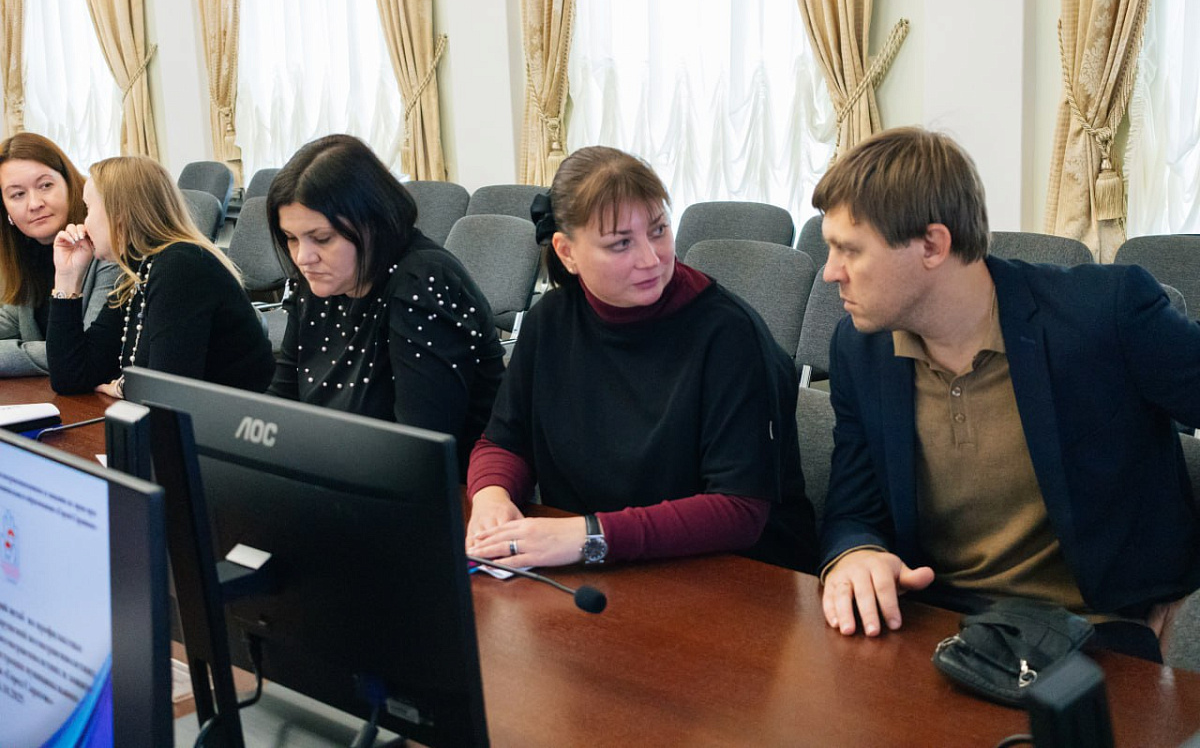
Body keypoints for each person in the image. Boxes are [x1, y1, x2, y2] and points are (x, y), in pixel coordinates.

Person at [814, 126, 1200, 661]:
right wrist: (855, 554)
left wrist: (1187, 600)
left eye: (849, 250)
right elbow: (853, 506)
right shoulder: (860, 349)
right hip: (936, 622)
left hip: (1093, 633)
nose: (830, 272)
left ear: (932, 245)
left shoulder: (1104, 314)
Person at [465, 145, 817, 572]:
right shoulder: (550, 322)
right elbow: (504, 441)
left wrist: (591, 536)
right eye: (621, 244)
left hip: (729, 576)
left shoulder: (730, 335)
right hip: (603, 568)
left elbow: (739, 509)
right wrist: (492, 496)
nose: (651, 259)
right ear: (567, 252)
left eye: (658, 231)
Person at [265, 134, 505, 470]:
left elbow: (421, 448)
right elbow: (282, 401)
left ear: (372, 223)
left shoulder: (422, 283)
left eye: (322, 238)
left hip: (447, 489)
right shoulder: (319, 282)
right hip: (343, 474)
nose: (304, 257)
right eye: (291, 238)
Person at [47, 155, 274, 396]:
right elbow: (71, 376)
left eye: (88, 208)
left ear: (119, 213)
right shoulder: (139, 269)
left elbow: (166, 391)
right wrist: (67, 278)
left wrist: (122, 387)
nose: (84, 222)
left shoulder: (181, 267)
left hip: (235, 417)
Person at [0, 133, 118, 377]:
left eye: (45, 185)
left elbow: (84, 351)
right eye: (18, 194)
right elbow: (10, 321)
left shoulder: (106, 246)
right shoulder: (28, 251)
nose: (34, 204)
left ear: (69, 183)